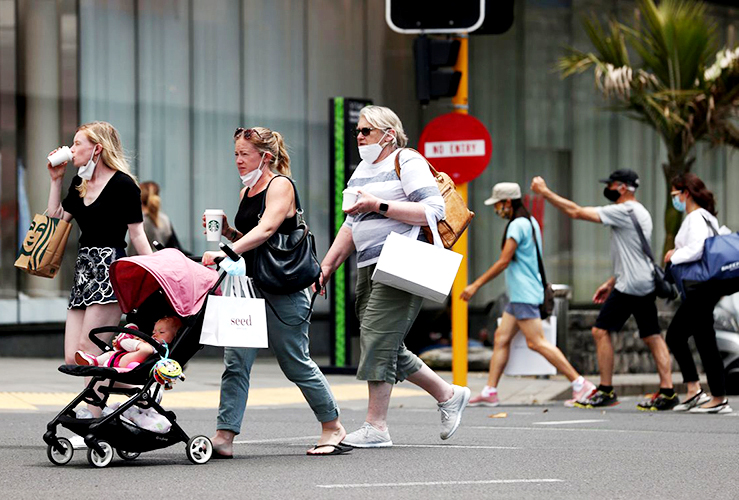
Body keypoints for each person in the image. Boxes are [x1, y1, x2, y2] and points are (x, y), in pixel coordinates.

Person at [318, 105, 470, 448]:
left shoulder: (407, 160)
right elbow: (350, 224)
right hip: (369, 265)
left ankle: (376, 427)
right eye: (358, 130)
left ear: (388, 134)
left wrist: (378, 206)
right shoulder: (361, 170)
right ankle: (448, 394)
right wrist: (327, 266)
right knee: (382, 340)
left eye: (366, 131)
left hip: (402, 261)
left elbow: (433, 210)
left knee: (376, 338)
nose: (358, 136)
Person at [201, 126, 348, 457]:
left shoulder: (280, 185)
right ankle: (224, 435)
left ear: (265, 157)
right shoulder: (246, 193)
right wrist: (228, 231)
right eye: (235, 154)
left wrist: (228, 250)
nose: (238, 160)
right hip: (250, 287)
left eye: (245, 154)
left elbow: (268, 229)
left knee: (295, 362)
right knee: (236, 361)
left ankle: (332, 426)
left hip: (284, 289)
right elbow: (257, 238)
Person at [531, 170, 677, 410]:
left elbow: (576, 212)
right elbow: (635, 255)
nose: (607, 188)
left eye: (610, 184)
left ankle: (606, 389)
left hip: (630, 285)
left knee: (600, 331)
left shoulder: (623, 211)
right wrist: (612, 281)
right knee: (652, 335)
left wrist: (545, 192)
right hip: (643, 282)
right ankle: (668, 390)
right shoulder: (642, 212)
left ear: (622, 187)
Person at [46, 121, 153, 428]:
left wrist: (162, 274)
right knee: (73, 358)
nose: (72, 149)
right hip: (83, 274)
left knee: (90, 354)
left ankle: (93, 421)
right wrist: (56, 180)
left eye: (78, 143)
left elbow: (138, 237)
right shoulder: (79, 183)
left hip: (110, 273)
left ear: (97, 149)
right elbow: (56, 221)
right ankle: (136, 392)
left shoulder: (124, 185)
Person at [460, 182, 596, 407]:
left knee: (537, 342)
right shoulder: (530, 222)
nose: (496, 209)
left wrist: (475, 285)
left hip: (524, 294)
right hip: (520, 295)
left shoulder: (517, 226)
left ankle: (580, 384)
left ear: (508, 203)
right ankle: (490, 391)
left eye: (498, 204)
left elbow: (504, 261)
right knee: (501, 339)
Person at [665, 173, 732, 413]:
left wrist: (674, 255)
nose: (674, 199)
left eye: (675, 194)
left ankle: (709, 394)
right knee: (704, 338)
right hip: (708, 286)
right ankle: (703, 393)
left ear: (685, 193)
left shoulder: (695, 217)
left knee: (676, 336)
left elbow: (698, 248)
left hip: (701, 287)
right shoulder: (706, 217)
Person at [74, 316, 182, 369]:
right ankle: (94, 361)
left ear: (175, 335)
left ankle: (123, 340)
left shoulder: (165, 348)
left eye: (161, 332)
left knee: (146, 349)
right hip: (122, 357)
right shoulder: (152, 340)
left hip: (130, 364)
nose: (155, 334)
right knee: (112, 354)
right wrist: (139, 340)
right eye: (154, 332)